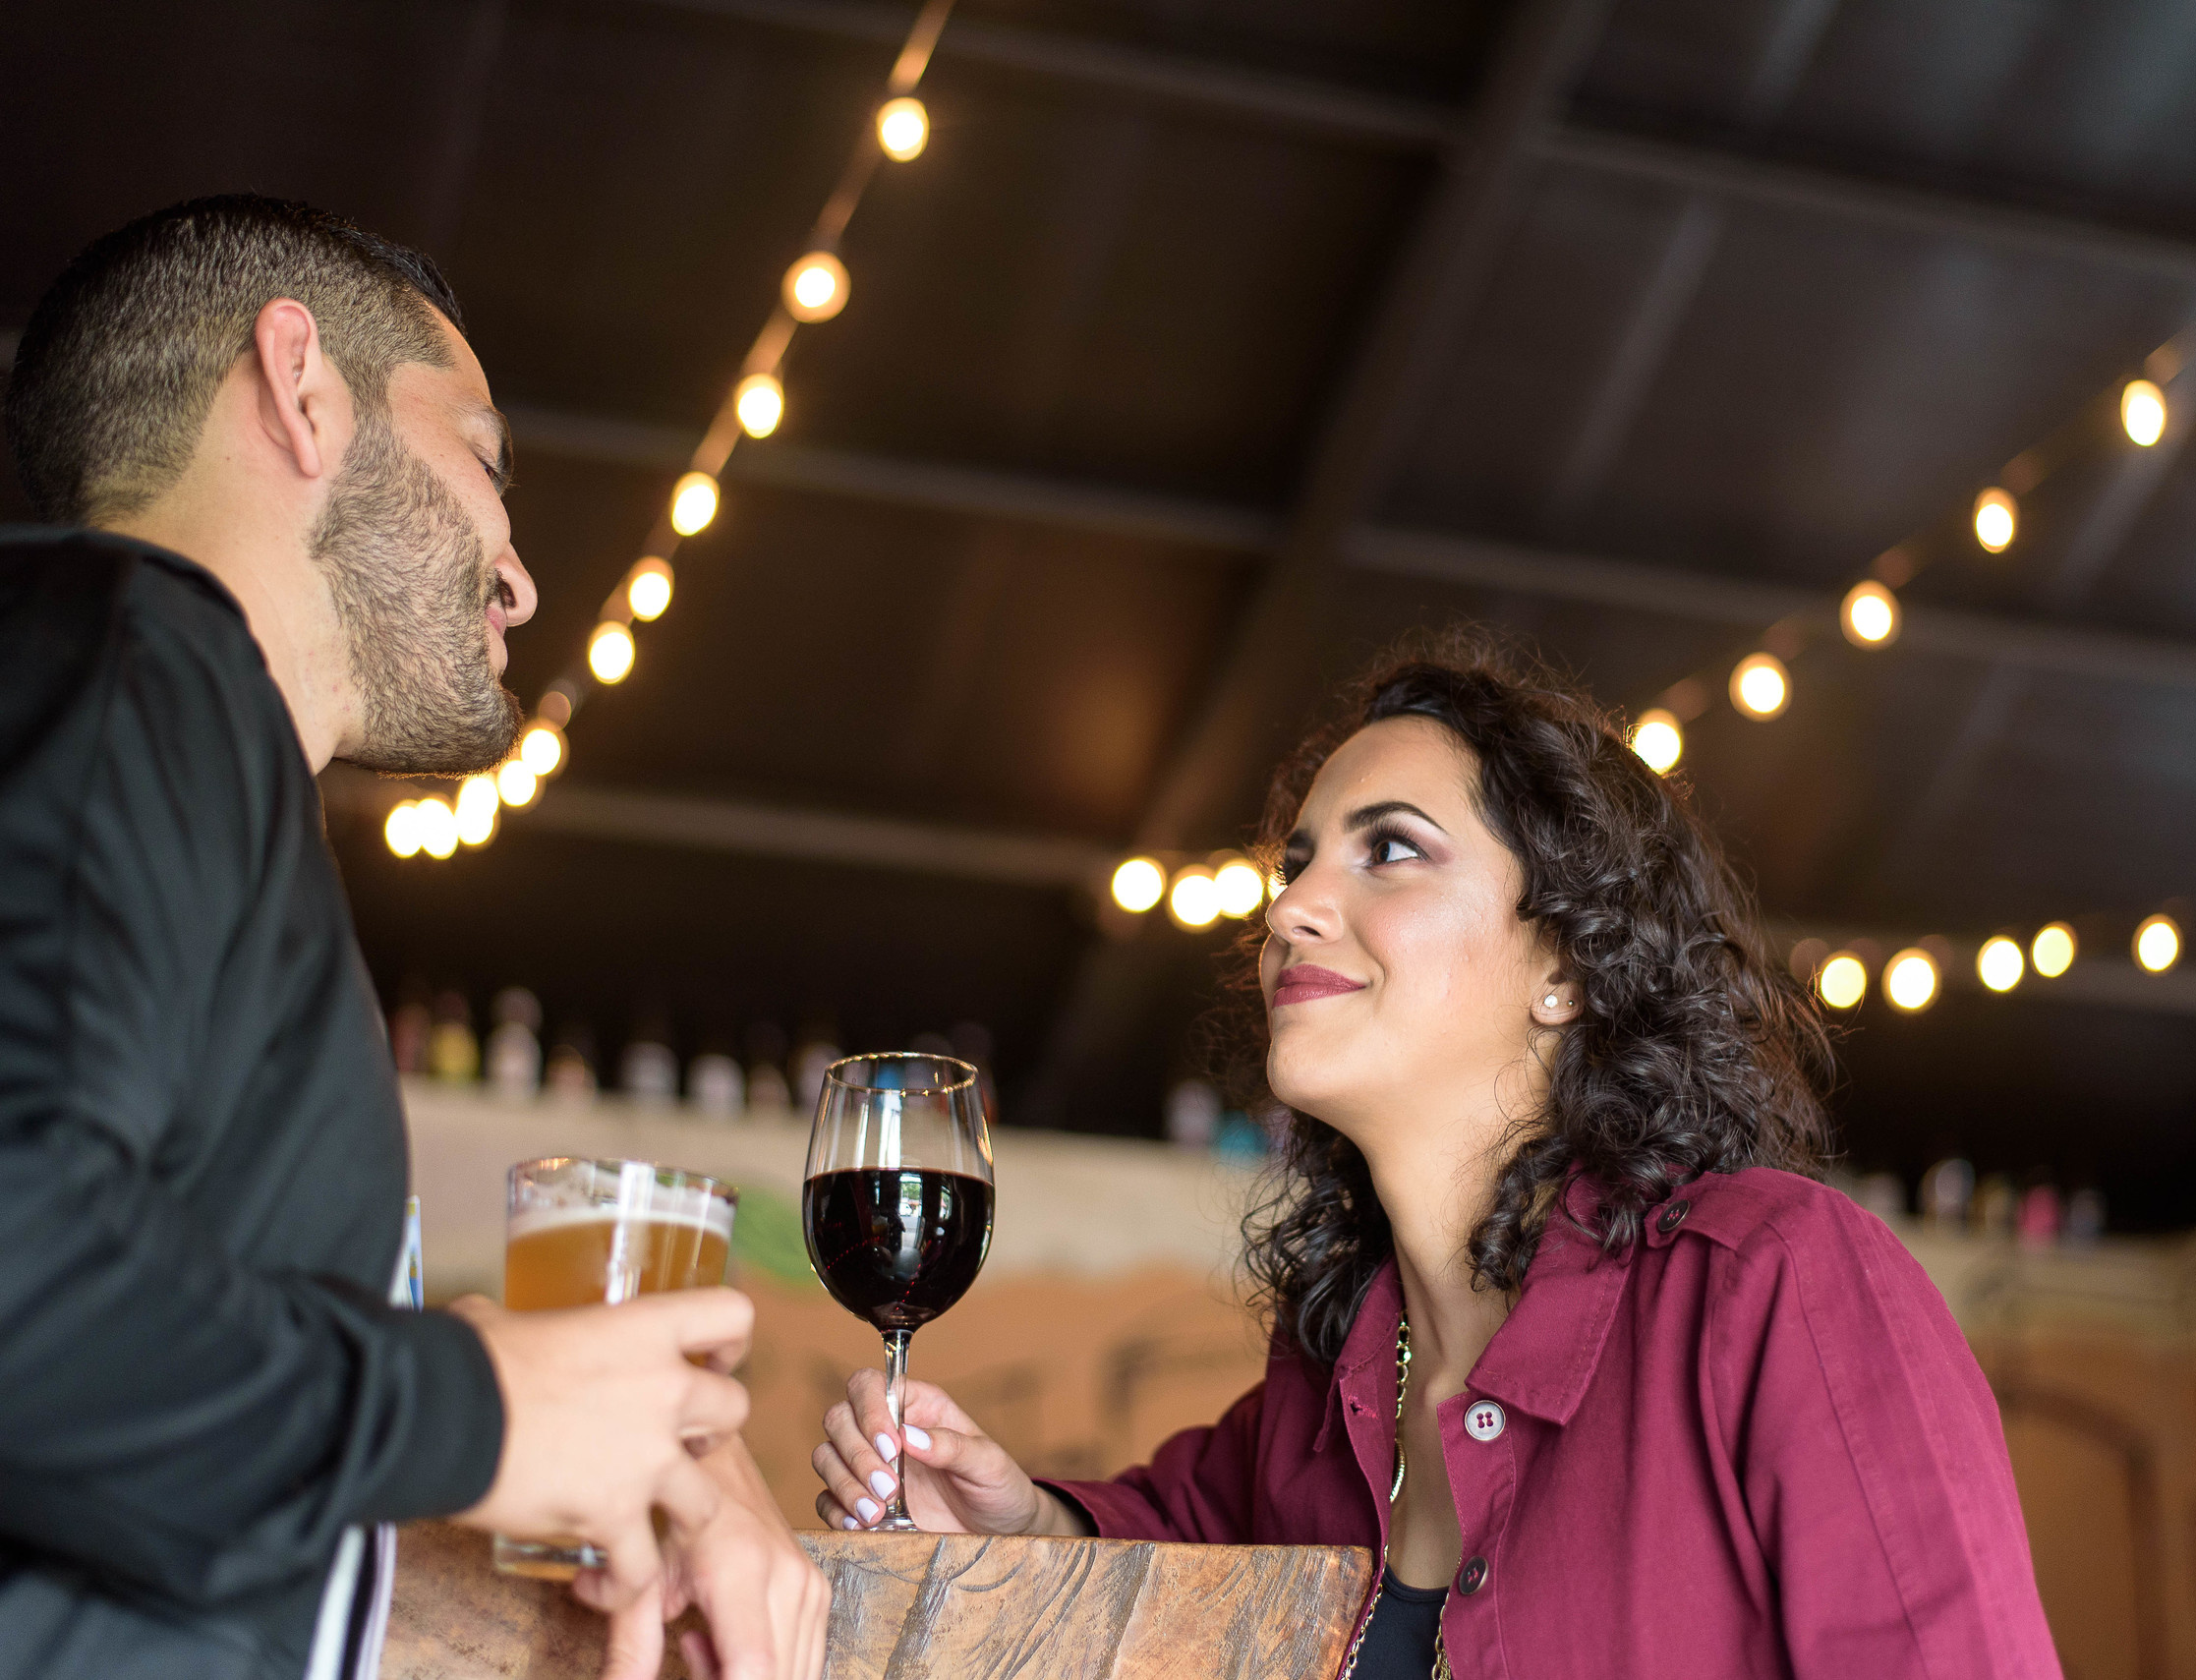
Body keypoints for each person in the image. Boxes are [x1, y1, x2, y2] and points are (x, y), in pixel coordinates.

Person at [815, 638, 2064, 1678]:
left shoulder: (1777, 1281)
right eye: (1296, 862)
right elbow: (1178, 1531)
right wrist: (1015, 1515)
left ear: (1569, 964)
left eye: (1391, 847)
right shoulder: (1327, 1381)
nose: (1292, 906)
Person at [0, 197, 828, 1680]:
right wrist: (482, 1409)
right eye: (485, 460)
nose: (516, 574)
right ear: (301, 386)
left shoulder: (152, 730)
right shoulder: (143, 656)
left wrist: (576, 1417)